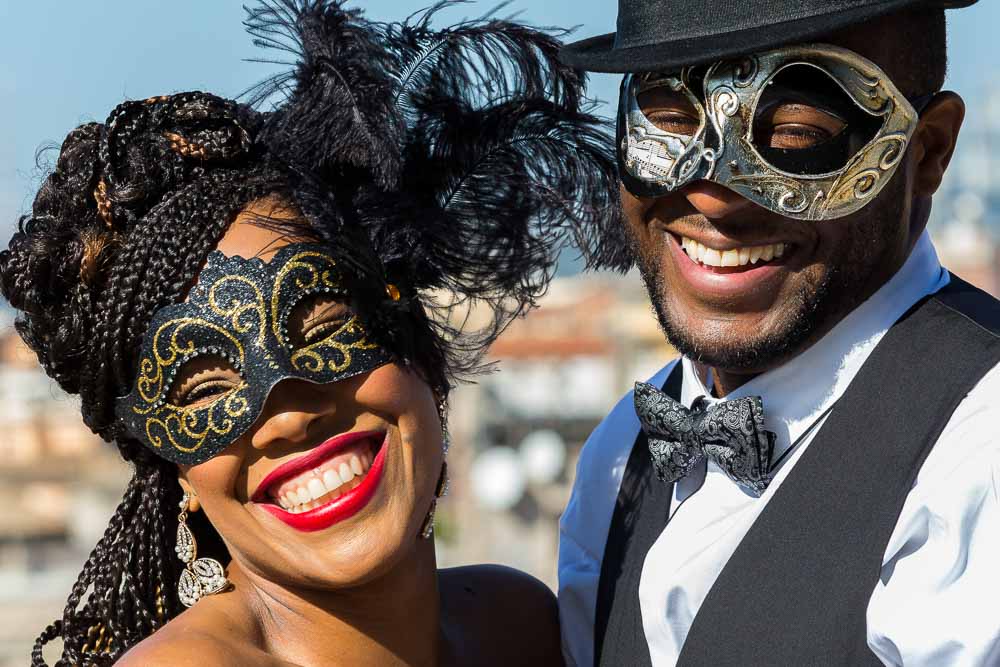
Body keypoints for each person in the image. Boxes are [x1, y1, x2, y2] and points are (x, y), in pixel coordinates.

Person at [1, 2, 621, 665]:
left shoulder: (518, 625)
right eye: (204, 386)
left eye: (324, 324)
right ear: (174, 467)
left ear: (412, 338)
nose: (287, 413)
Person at [556, 0, 1000, 665]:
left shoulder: (978, 456)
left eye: (794, 132)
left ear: (929, 150)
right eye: (669, 118)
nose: (711, 193)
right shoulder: (619, 455)